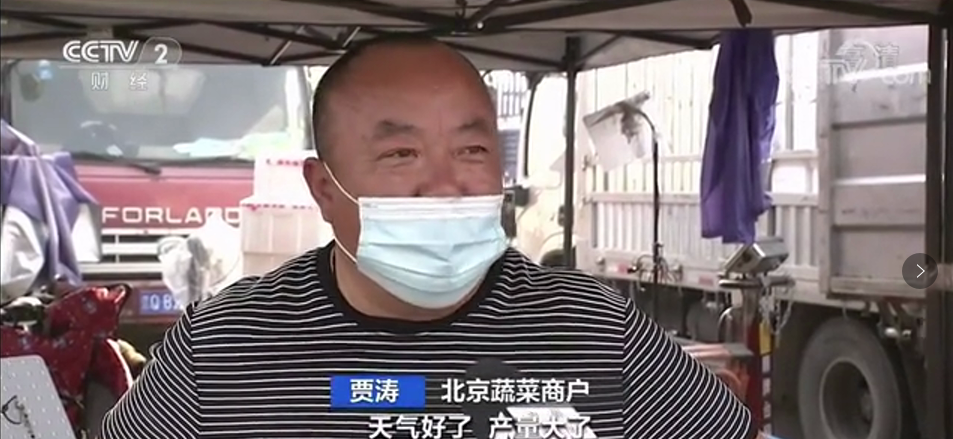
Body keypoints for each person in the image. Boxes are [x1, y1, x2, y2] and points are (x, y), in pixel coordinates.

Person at [101, 35, 762, 439]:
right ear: (324, 188)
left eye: (472, 149)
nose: (446, 185)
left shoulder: (593, 330)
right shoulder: (225, 348)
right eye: (401, 155)